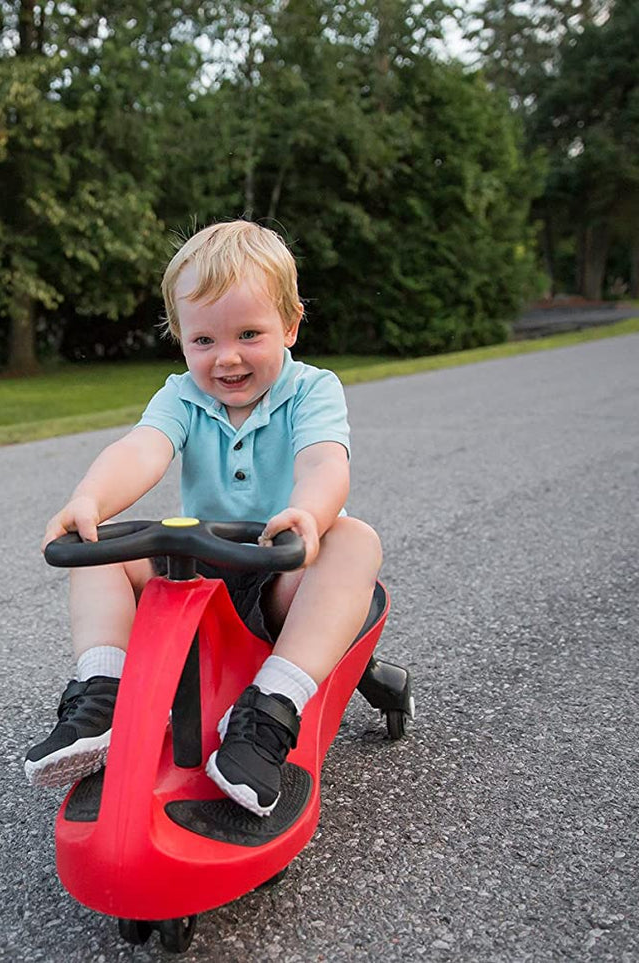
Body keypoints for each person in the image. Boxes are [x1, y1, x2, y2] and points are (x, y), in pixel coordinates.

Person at [24, 221, 383, 817]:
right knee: (101, 545)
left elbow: (325, 462)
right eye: (205, 342)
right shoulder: (181, 397)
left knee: (355, 542)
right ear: (181, 339)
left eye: (249, 334)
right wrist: (90, 498)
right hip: (204, 574)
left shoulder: (312, 390)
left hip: (282, 575)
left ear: (290, 325)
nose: (228, 358)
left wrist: (308, 511)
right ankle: (103, 697)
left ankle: (271, 709)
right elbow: (143, 449)